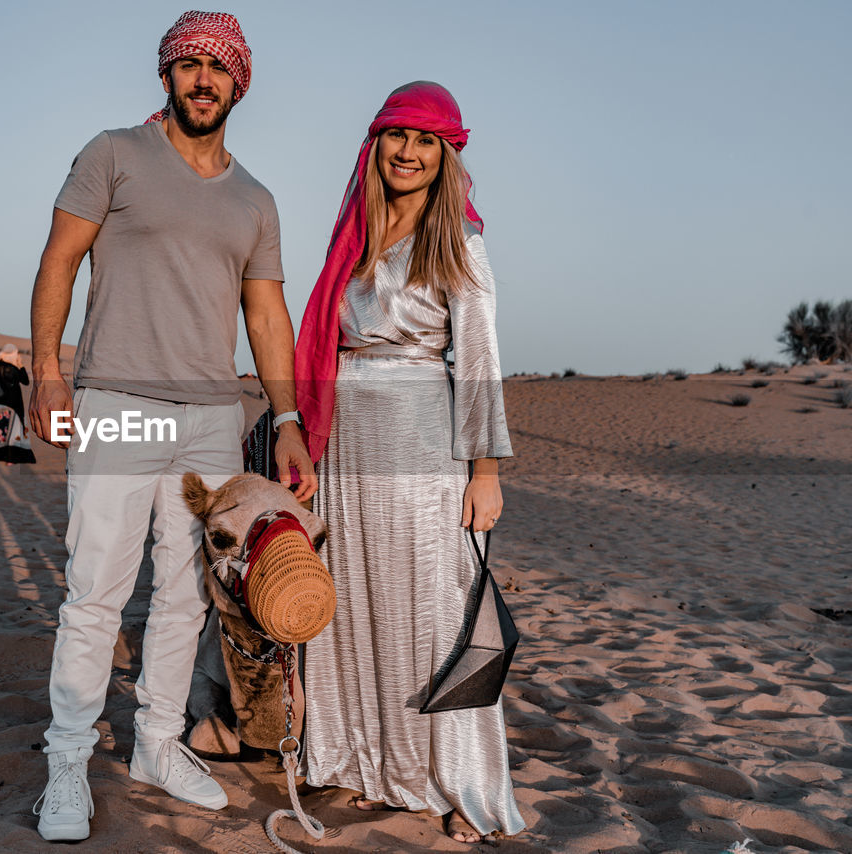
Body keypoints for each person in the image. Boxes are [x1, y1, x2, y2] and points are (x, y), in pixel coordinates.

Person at [25, 10, 316, 842]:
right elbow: (59, 262)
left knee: (187, 592)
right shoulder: (112, 154)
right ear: (166, 75)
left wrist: (288, 415)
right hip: (118, 402)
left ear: (239, 84)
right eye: (188, 64)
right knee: (97, 592)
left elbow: (266, 313)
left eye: (217, 69)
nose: (202, 79)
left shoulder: (254, 200)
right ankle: (69, 765)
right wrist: (48, 372)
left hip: (212, 421)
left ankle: (156, 742)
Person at [294, 82, 526, 844]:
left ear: (447, 155)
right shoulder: (351, 237)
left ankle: (467, 786)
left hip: (424, 438)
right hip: (346, 444)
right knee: (360, 607)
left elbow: (481, 357)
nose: (409, 152)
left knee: (437, 614)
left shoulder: (458, 238)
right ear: (376, 144)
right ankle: (381, 770)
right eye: (398, 135)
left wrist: (485, 468)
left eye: (427, 141)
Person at [0, 343, 35, 464]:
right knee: (14, 430)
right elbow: (25, 381)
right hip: (14, 402)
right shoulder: (14, 369)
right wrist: (20, 364)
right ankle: (11, 458)